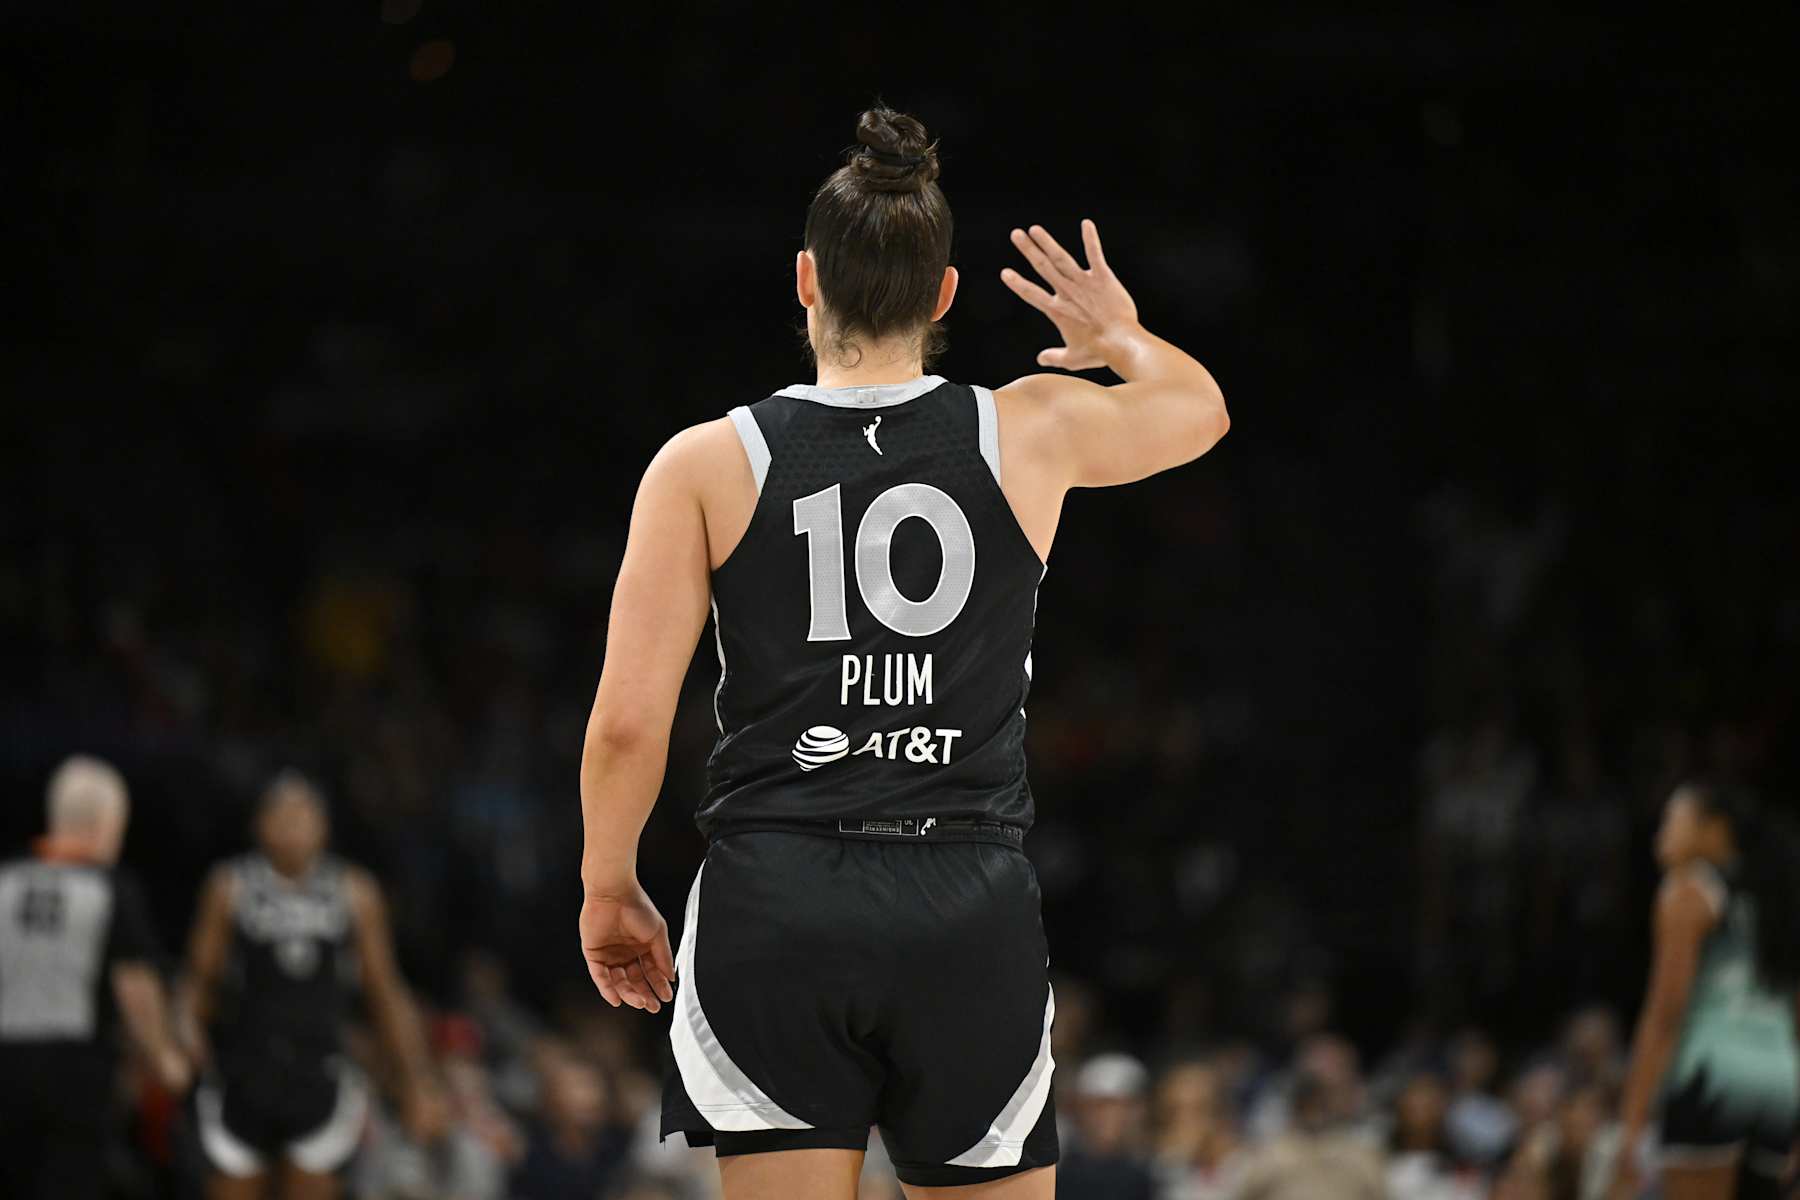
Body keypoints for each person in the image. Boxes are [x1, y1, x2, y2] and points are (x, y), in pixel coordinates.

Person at [575, 106, 1229, 1200]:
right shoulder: (1028, 427)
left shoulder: (703, 461)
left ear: (804, 281)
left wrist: (608, 886)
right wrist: (1119, 338)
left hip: (775, 896)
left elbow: (629, 722)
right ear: (945, 295)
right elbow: (1200, 411)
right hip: (963, 898)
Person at [182, 770, 446, 1198]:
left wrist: (415, 1078)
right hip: (242, 1070)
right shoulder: (229, 884)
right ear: (258, 824)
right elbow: (199, 978)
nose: (291, 823)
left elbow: (385, 991)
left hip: (319, 1072)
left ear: (324, 826)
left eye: (303, 813)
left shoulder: (354, 890)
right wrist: (183, 1034)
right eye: (280, 813)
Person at [0, 755, 191, 1200]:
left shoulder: (4, 881)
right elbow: (135, 985)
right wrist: (163, 1057)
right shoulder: (110, 888)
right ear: (107, 823)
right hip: (74, 1071)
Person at [1611, 781, 1800, 1200]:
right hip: (1779, 1083)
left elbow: (1666, 1012)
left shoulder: (1687, 888)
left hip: (1711, 1076)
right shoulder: (1779, 898)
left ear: (1714, 830)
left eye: (1673, 820)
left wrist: (1631, 1126)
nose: (1660, 833)